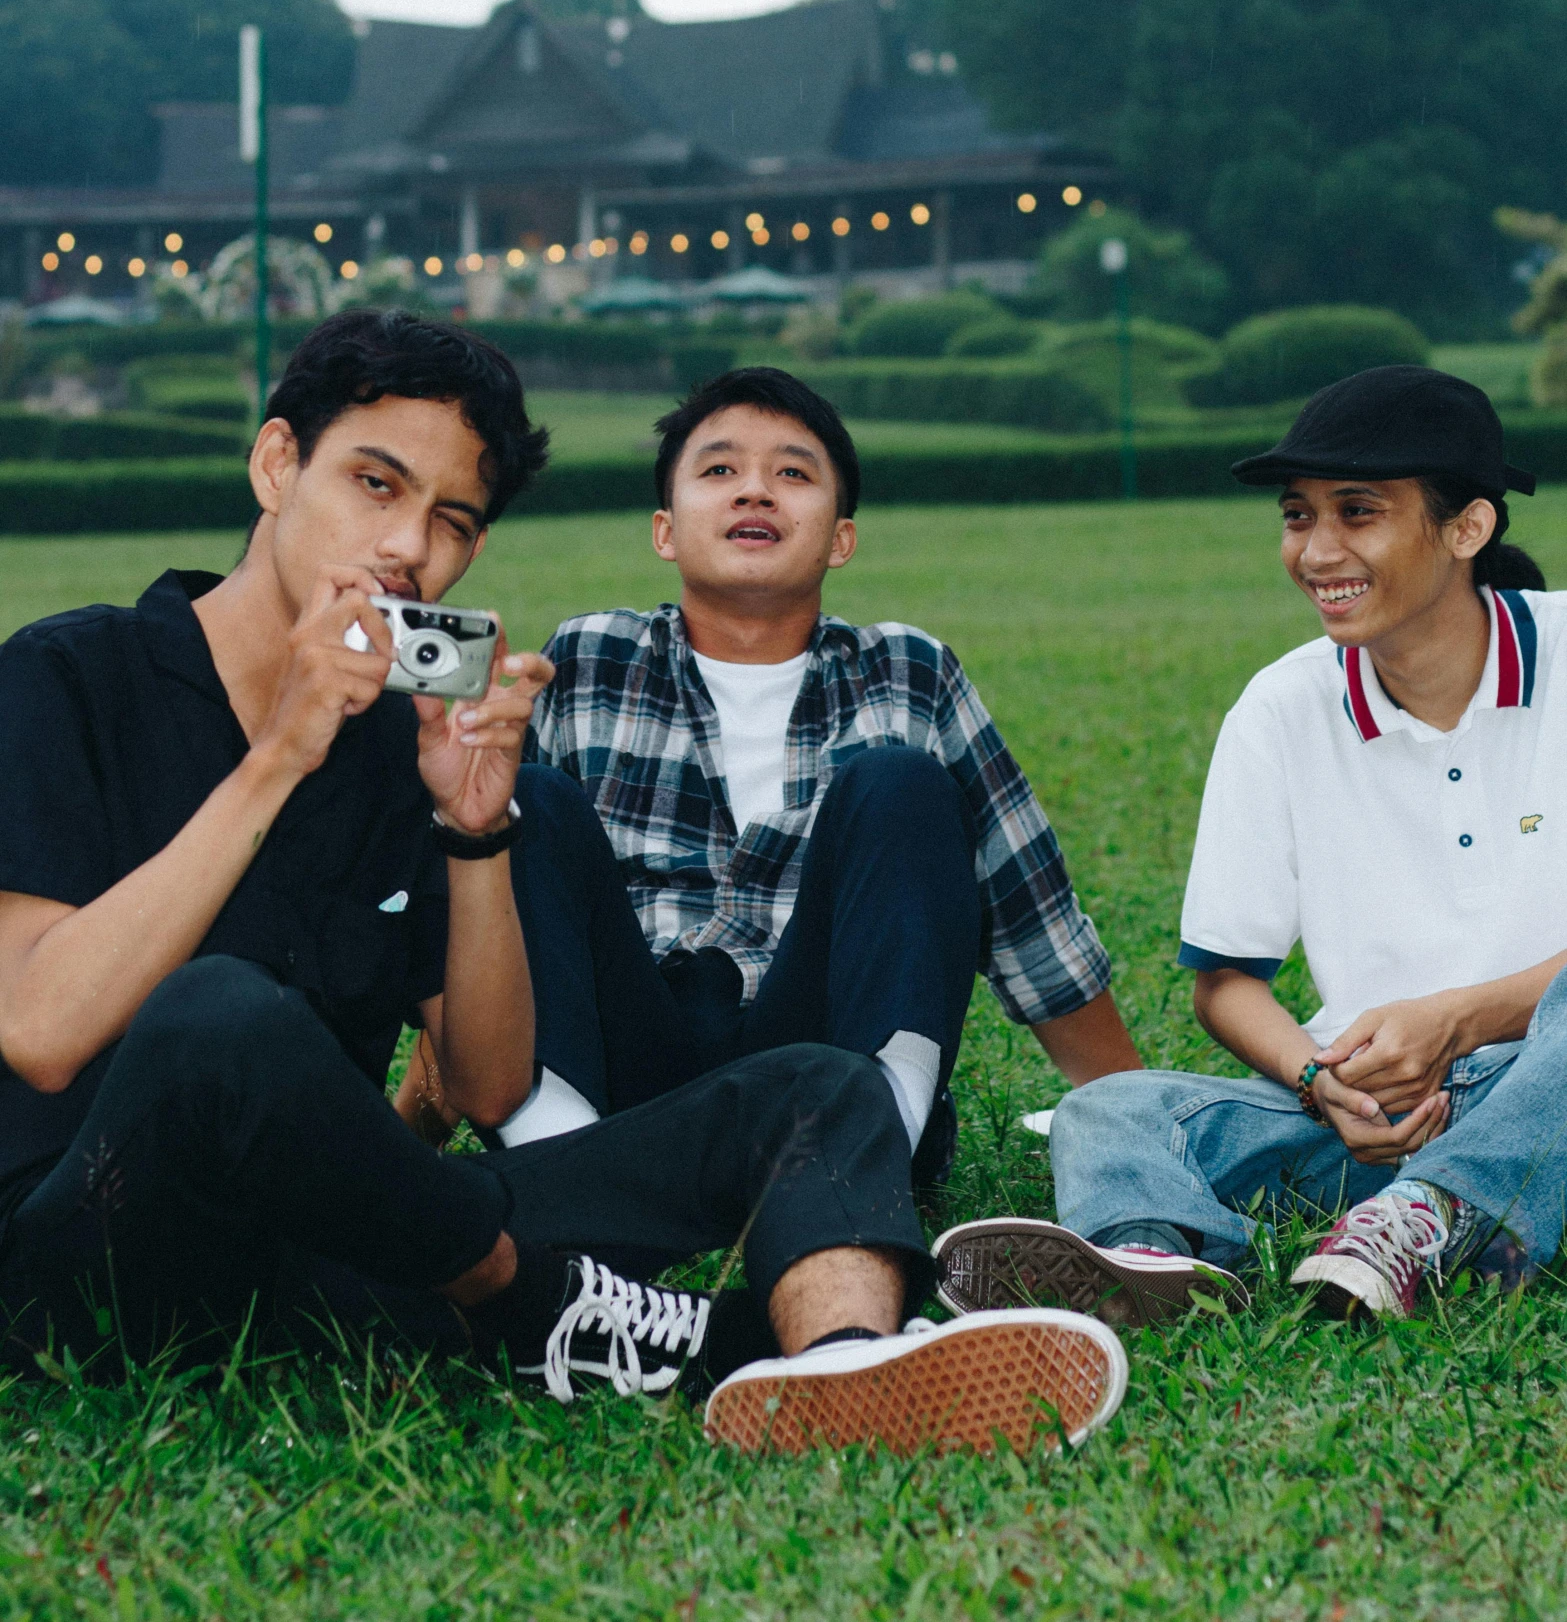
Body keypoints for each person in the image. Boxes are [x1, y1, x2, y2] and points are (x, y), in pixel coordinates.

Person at [0, 309, 1128, 1456]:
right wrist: (278, 756)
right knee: (221, 1014)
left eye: (451, 520)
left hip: (333, 1261)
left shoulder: (394, 747)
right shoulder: (67, 676)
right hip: (92, 1255)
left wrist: (478, 832)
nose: (405, 548)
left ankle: (839, 1366)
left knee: (815, 1086)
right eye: (373, 484)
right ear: (278, 462)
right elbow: (42, 1027)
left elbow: (491, 1079)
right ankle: (558, 1306)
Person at [932, 365, 1567, 1327]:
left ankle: (1431, 1216)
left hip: (1546, 1077)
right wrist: (1319, 1083)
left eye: (1356, 512)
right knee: (1106, 1111)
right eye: (1296, 515)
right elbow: (1225, 983)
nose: (1315, 551)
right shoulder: (1282, 707)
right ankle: (1151, 1262)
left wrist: (1460, 1018)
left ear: (1466, 529)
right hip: (1373, 1125)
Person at [475, 365, 1139, 1178]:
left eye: (792, 473)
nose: (754, 491)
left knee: (897, 784)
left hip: (825, 1063)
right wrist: (418, 1114)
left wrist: (1139, 1114)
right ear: (664, 530)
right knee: (526, 804)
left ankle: (869, 1150)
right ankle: (561, 1169)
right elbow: (500, 909)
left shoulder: (908, 672)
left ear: (839, 537)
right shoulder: (589, 657)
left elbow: (1028, 912)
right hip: (628, 1071)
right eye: (718, 471)